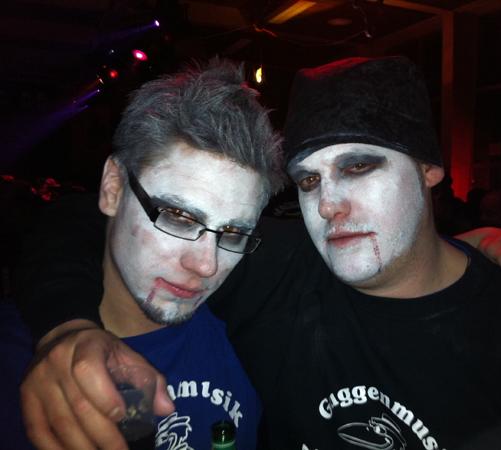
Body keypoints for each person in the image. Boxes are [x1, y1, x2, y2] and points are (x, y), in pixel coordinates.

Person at [17, 56, 501, 450]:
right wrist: (66, 329)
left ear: (428, 170)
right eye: (309, 180)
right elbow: (92, 219)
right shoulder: (272, 269)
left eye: (359, 166)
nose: (329, 205)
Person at [10, 59, 291, 449]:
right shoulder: (15, 359)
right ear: (113, 188)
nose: (206, 265)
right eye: (178, 217)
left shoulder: (254, 350)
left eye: (233, 233)